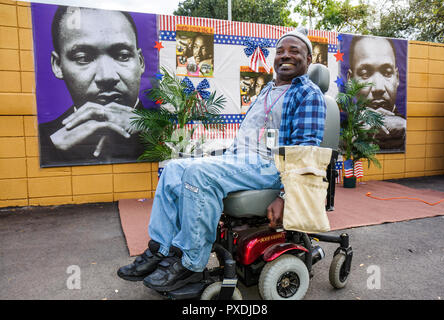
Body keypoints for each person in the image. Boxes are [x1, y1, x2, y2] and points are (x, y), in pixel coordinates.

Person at [117, 27, 326, 292]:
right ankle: (160, 249)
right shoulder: (268, 90)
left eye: (294, 51)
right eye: (281, 51)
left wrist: (284, 196)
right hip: (242, 160)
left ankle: (190, 262)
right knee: (172, 169)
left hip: (271, 166)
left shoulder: (308, 94)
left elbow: (305, 151)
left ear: (308, 60)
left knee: (199, 175)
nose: (286, 55)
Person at [38, 6, 146, 166]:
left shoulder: (166, 129)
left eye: (123, 56)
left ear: (141, 62)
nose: (107, 76)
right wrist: (51, 149)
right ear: (58, 65)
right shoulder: (44, 139)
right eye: (83, 58)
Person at [347, 36, 406, 150]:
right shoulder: (341, 134)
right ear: (350, 81)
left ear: (397, 78)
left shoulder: (406, 129)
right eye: (365, 74)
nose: (378, 88)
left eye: (387, 73)